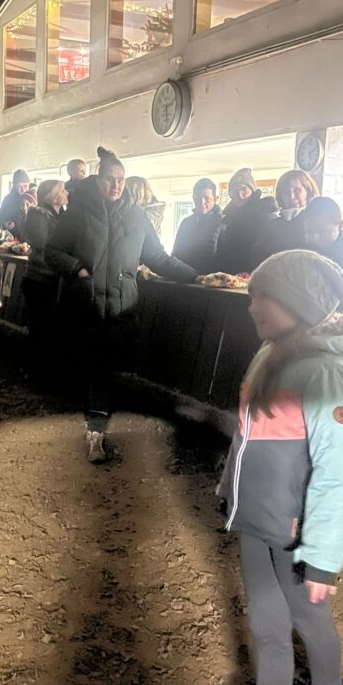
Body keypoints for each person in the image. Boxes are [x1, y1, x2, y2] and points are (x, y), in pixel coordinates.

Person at [211, 251, 343, 685]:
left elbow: (338, 470)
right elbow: (247, 435)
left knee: (304, 616)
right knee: (268, 626)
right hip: (257, 519)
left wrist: (323, 555)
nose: (252, 304)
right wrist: (230, 487)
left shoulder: (324, 369)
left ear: (298, 300)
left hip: (294, 529)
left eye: (263, 294)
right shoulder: (270, 353)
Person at [45, 146, 206, 463]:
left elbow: (158, 257)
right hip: (85, 306)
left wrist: (196, 276)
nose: (116, 185)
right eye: (110, 179)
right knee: (97, 370)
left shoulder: (137, 217)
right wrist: (77, 268)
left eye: (120, 179)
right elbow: (52, 251)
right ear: (98, 180)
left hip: (121, 309)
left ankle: (97, 425)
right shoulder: (78, 213)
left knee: (106, 372)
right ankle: (95, 433)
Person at [23, 179, 68, 351]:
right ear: (54, 197)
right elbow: (42, 245)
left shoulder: (61, 215)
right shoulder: (38, 215)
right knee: (39, 328)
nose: (67, 193)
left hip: (54, 279)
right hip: (39, 279)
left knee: (50, 329)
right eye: (62, 190)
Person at [253, 169, 320, 266]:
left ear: (308, 192)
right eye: (286, 192)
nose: (292, 196)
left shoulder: (315, 223)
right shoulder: (272, 226)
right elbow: (258, 257)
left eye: (297, 190)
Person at [217, 168, 277, 275]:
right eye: (235, 190)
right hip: (233, 275)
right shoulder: (227, 218)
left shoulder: (265, 213)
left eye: (244, 188)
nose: (240, 193)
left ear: (252, 189)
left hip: (259, 273)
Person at [172, 178, 225, 275]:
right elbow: (175, 254)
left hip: (213, 280)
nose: (202, 202)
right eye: (198, 198)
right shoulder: (186, 223)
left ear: (215, 199)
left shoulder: (224, 224)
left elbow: (227, 259)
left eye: (207, 198)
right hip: (185, 278)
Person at [301, 197, 343, 271]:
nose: (315, 238)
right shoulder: (302, 252)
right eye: (309, 232)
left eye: (322, 232)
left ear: (340, 226)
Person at [0, 168, 31, 237]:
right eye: (20, 186)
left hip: (31, 238)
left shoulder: (34, 198)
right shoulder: (8, 200)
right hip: (14, 238)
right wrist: (4, 224)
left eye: (25, 186)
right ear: (15, 186)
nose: (23, 190)